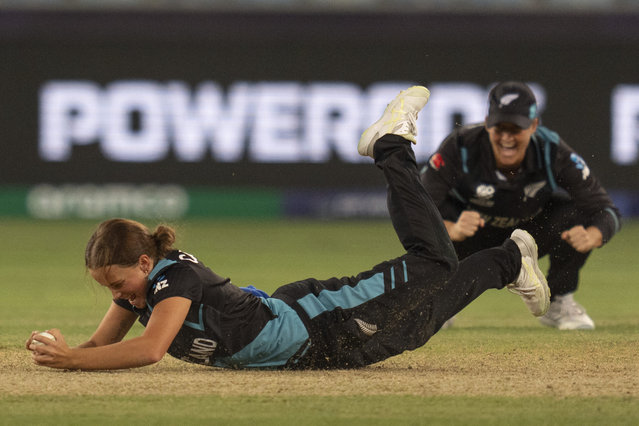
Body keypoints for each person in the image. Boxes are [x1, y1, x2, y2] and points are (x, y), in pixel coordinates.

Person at [27, 86, 550, 371]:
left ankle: (391, 145)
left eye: (117, 283)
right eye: (109, 289)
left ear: (145, 262)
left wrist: (72, 361)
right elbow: (99, 345)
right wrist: (59, 349)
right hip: (313, 348)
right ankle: (508, 260)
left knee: (435, 265)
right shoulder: (138, 291)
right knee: (417, 325)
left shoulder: (171, 279)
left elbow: (149, 351)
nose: (117, 295)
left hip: (320, 321)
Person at [420, 81, 621, 330]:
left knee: (577, 215)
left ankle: (558, 301)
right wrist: (449, 228)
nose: (506, 137)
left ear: (534, 126)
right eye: (499, 128)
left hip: (528, 237)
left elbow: (606, 210)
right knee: (433, 216)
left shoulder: (552, 151)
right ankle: (441, 299)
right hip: (469, 235)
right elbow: (414, 206)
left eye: (515, 128)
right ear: (487, 123)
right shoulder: (460, 146)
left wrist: (594, 235)